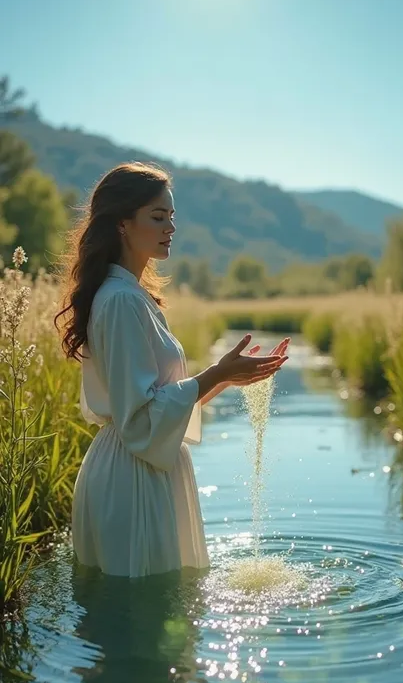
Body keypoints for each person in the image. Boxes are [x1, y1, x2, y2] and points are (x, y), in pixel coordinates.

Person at [54, 161, 289, 577]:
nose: (171, 227)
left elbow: (163, 401)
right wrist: (215, 373)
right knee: (144, 620)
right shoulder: (123, 301)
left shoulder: (129, 295)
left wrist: (228, 375)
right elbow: (141, 418)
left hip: (138, 464)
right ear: (123, 224)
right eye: (158, 217)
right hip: (135, 477)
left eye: (172, 217)